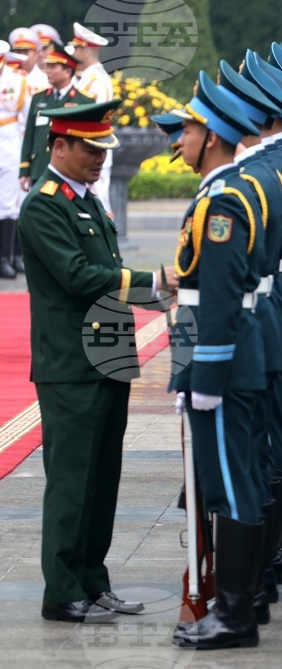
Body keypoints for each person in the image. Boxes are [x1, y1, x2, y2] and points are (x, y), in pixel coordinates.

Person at [17, 98, 177, 622]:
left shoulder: (87, 199)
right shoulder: (44, 205)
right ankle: (61, 590)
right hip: (70, 359)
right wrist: (153, 283)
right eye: (89, 149)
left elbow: (106, 269)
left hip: (108, 349)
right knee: (71, 479)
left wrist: (157, 290)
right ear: (59, 146)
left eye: (103, 148)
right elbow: (79, 276)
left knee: (103, 477)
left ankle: (92, 578)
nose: (100, 158)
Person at [168, 72, 268, 650]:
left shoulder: (224, 200)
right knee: (233, 482)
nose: (178, 139)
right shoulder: (220, 192)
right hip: (223, 359)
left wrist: (205, 373)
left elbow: (225, 296)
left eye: (186, 129)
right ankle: (236, 605)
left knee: (232, 486)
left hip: (225, 366)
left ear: (211, 138)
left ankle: (234, 614)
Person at [20, 43, 92, 189]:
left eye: (53, 67)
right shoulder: (38, 98)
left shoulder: (83, 101)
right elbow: (29, 135)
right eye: (47, 67)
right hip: (39, 168)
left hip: (70, 170)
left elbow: (88, 139)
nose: (48, 71)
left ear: (67, 72)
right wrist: (24, 169)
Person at [70, 23, 115, 213]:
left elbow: (96, 121)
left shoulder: (96, 81)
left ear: (86, 50)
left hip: (94, 150)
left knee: (99, 206)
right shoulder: (87, 78)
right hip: (85, 149)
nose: (73, 52)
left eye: (76, 48)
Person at [0, 41, 28, 279]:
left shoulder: (17, 79)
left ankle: (5, 258)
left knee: (9, 203)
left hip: (8, 142)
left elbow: (27, 118)